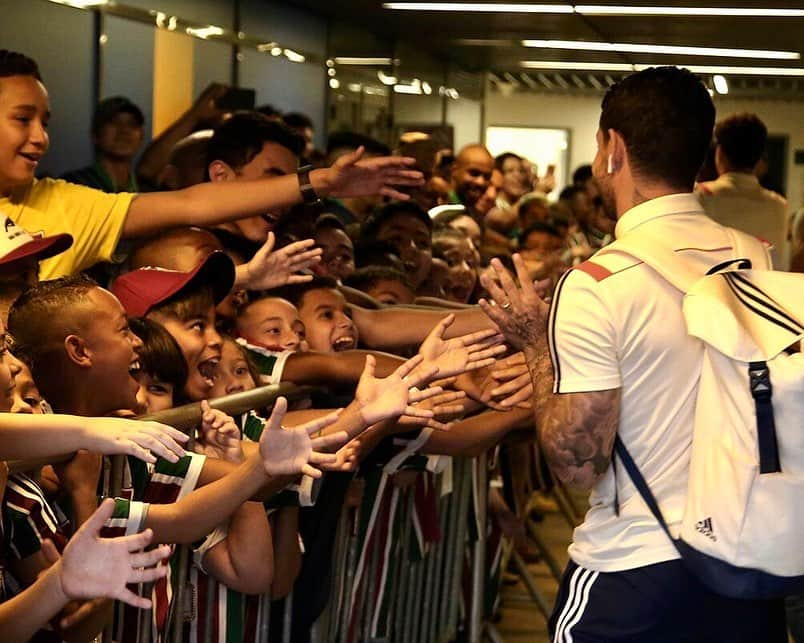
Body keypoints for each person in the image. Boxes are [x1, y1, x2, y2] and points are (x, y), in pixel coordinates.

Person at [480, 66, 784, 642]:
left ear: (611, 149)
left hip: (634, 569)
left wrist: (535, 347)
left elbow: (577, 464)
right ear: (703, 153)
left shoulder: (598, 280)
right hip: (744, 555)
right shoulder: (756, 258)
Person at [0, 50, 421, 280]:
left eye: (45, 122)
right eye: (23, 119)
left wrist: (321, 181)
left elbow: (191, 204)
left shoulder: (62, 205)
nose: (40, 136)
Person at [697, 112, 789, 268]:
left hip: (710, 290)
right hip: (763, 292)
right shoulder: (780, 205)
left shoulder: (700, 196)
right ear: (759, 158)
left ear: (719, 154)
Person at [61, 96, 145, 193]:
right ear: (95, 134)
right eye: (114, 122)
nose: (124, 131)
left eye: (132, 124)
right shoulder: (74, 185)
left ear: (141, 137)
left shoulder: (149, 191)